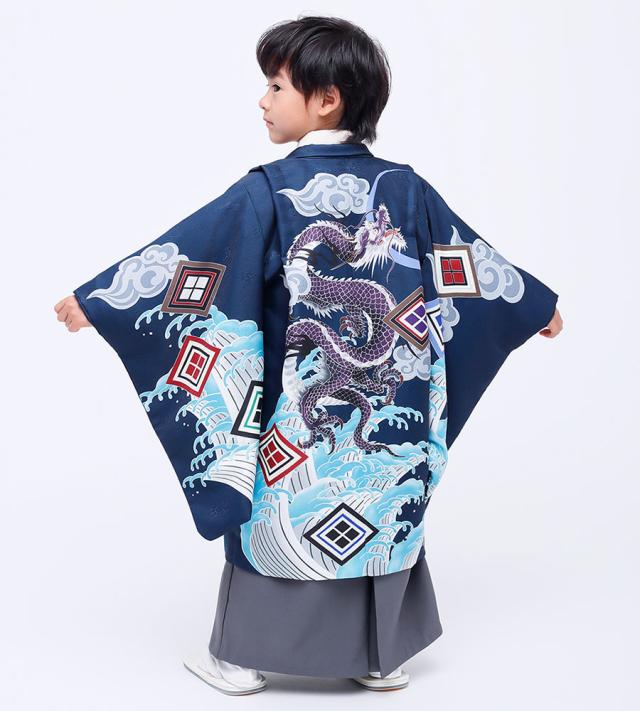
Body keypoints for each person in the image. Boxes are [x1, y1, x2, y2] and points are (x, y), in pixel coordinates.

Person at [54, 16, 563, 696]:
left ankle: (243, 657)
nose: (262, 101)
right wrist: (532, 305)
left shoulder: (267, 190)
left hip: (297, 406)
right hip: (379, 389)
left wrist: (102, 300)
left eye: (275, 86)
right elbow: (467, 268)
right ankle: (378, 654)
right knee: (380, 502)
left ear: (326, 99)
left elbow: (194, 263)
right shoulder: (405, 189)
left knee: (281, 502)